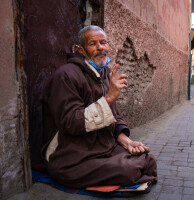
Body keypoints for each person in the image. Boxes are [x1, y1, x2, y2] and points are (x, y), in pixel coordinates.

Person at [41, 25, 157, 189]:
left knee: (147, 159)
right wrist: (109, 97)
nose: (100, 47)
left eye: (103, 42)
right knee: (130, 170)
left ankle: (117, 160)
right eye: (93, 43)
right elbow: (71, 123)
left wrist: (127, 142)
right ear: (81, 50)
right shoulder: (66, 75)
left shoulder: (105, 74)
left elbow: (113, 116)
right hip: (72, 156)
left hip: (102, 148)